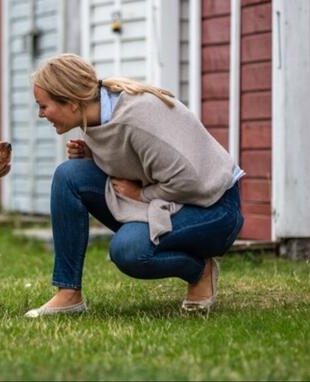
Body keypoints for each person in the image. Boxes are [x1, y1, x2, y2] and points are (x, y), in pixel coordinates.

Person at [25, 53, 244, 318]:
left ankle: (199, 270)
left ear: (71, 103)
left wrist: (141, 194)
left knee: (129, 251)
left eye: (43, 106)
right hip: (172, 199)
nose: (40, 114)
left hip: (214, 208)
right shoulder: (94, 115)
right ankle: (68, 294)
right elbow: (134, 163)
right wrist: (93, 158)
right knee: (69, 175)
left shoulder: (137, 118)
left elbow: (192, 180)